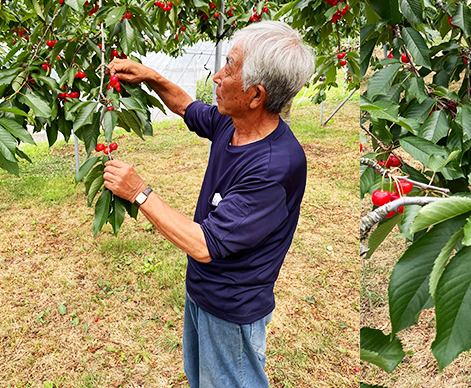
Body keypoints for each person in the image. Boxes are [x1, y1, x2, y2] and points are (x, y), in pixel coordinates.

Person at [102, 20, 315, 388]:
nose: (217, 76)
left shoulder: (274, 168)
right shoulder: (232, 124)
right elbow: (187, 107)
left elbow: (204, 244)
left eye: (230, 66)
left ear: (255, 95)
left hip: (232, 308)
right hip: (203, 291)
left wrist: (139, 191)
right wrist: (151, 76)